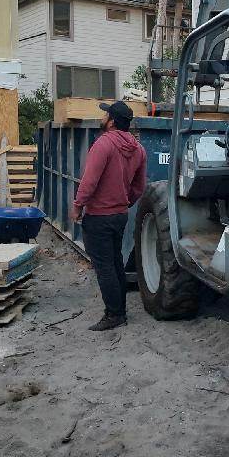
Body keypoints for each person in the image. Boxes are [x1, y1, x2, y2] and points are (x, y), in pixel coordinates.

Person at [68, 100, 147, 331]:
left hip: (99, 217)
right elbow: (139, 187)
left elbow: (89, 181)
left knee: (105, 268)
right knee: (115, 263)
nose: (102, 118)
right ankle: (118, 310)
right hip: (119, 215)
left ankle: (115, 314)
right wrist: (123, 203)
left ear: (111, 121)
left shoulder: (103, 145)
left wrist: (77, 206)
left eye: (105, 115)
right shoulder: (139, 149)